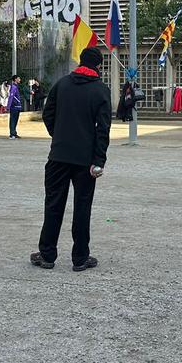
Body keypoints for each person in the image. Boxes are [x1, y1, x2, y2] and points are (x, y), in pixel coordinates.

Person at [31, 46, 111, 272]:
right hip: (85, 160)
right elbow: (103, 130)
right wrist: (99, 160)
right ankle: (80, 258)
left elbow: (48, 114)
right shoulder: (100, 91)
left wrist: (58, 136)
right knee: (82, 207)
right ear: (99, 66)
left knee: (53, 204)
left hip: (58, 156)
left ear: (80, 62)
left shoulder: (62, 84)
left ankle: (47, 255)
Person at [7, 74, 24, 138]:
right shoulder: (13, 87)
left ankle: (14, 132)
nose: (20, 80)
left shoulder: (16, 87)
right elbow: (11, 97)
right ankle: (12, 134)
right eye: (18, 78)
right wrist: (8, 107)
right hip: (13, 107)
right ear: (15, 79)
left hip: (17, 107)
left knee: (15, 120)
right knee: (13, 120)